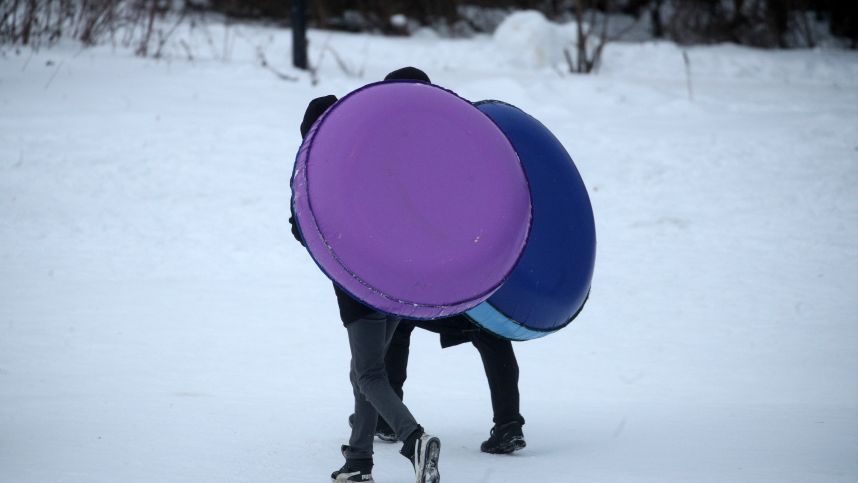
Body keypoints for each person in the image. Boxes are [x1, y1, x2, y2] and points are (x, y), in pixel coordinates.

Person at [289, 67, 443, 483]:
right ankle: (359, 461)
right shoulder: (371, 162)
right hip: (395, 287)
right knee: (362, 372)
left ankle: (413, 439)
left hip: (359, 295)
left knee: (369, 373)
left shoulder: (320, 178)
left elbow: (308, 231)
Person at [369, 316, 527, 455]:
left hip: (463, 298)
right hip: (483, 298)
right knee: (490, 327)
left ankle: (387, 419)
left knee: (401, 316)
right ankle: (509, 424)